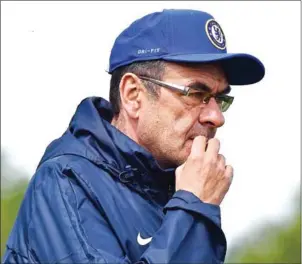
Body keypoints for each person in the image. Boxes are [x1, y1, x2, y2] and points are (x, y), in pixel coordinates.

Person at [3, 8, 265, 264]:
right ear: (132, 95)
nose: (216, 117)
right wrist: (193, 210)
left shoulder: (174, 191)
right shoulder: (66, 183)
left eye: (220, 99)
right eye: (196, 94)